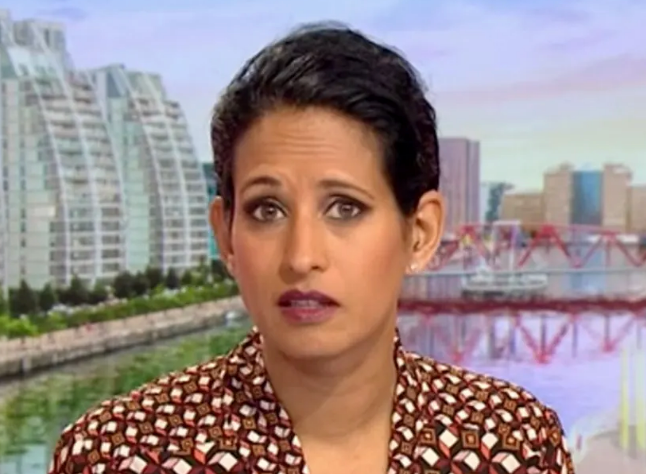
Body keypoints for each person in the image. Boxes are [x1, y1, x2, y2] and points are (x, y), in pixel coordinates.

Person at [49, 23, 575, 474]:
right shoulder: (119, 455)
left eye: (345, 208)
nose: (301, 257)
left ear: (420, 231)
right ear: (225, 234)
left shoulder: (512, 443)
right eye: (266, 210)